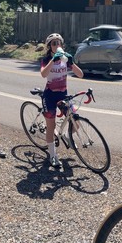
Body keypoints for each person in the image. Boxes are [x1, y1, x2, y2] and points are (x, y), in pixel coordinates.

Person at [40, 33, 84, 169]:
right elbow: (43, 74)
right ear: (49, 46)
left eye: (59, 43)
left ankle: (65, 135)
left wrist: (71, 63)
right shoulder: (46, 59)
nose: (57, 45)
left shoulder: (65, 59)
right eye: (54, 43)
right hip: (50, 96)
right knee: (51, 126)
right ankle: (52, 155)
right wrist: (53, 60)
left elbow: (80, 75)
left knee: (76, 123)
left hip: (63, 96)